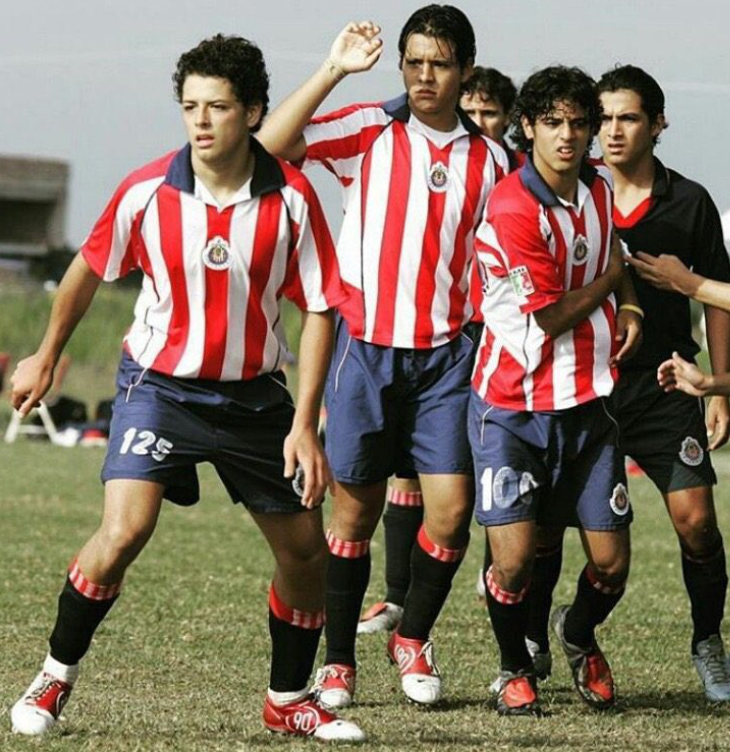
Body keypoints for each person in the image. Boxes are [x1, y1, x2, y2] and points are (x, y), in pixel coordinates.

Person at [9, 35, 364, 742]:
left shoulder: (292, 199)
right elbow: (87, 267)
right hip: (158, 387)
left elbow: (321, 304)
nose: (201, 121)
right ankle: (52, 678)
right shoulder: (147, 189)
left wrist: (306, 418)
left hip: (255, 399)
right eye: (190, 107)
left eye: (219, 107)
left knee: (304, 554)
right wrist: (47, 354)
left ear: (253, 111)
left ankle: (288, 699)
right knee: (124, 531)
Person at [258, 5, 508, 707]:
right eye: (414, 63)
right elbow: (271, 146)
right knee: (355, 516)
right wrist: (335, 69)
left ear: (464, 71)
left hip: (448, 360)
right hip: (364, 353)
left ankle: (412, 634)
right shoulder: (372, 127)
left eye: (439, 64)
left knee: (453, 513)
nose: (425, 77)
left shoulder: (492, 160)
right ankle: (339, 662)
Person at [524, 64, 730, 704]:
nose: (611, 131)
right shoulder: (570, 193)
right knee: (550, 530)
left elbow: (719, 300)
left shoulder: (689, 200)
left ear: (658, 124)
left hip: (668, 387)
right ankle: (535, 642)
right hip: (582, 387)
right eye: (602, 118)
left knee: (696, 522)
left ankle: (705, 643)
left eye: (628, 117)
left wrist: (720, 388)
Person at [470, 65, 642, 716]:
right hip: (512, 405)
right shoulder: (513, 205)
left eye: (578, 123)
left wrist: (632, 308)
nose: (568, 136)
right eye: (553, 123)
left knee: (612, 564)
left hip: (588, 403)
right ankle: (514, 665)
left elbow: (613, 255)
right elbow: (546, 316)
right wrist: (612, 282)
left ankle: (575, 633)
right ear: (528, 129)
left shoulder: (597, 189)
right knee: (512, 565)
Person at [356, 65, 523, 637]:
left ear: (508, 122)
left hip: (475, 340)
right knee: (406, 474)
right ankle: (397, 596)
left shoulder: (505, 174)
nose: (477, 123)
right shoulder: (392, 140)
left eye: (490, 114)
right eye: (471, 111)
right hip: (399, 341)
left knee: (466, 475)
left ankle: (489, 572)